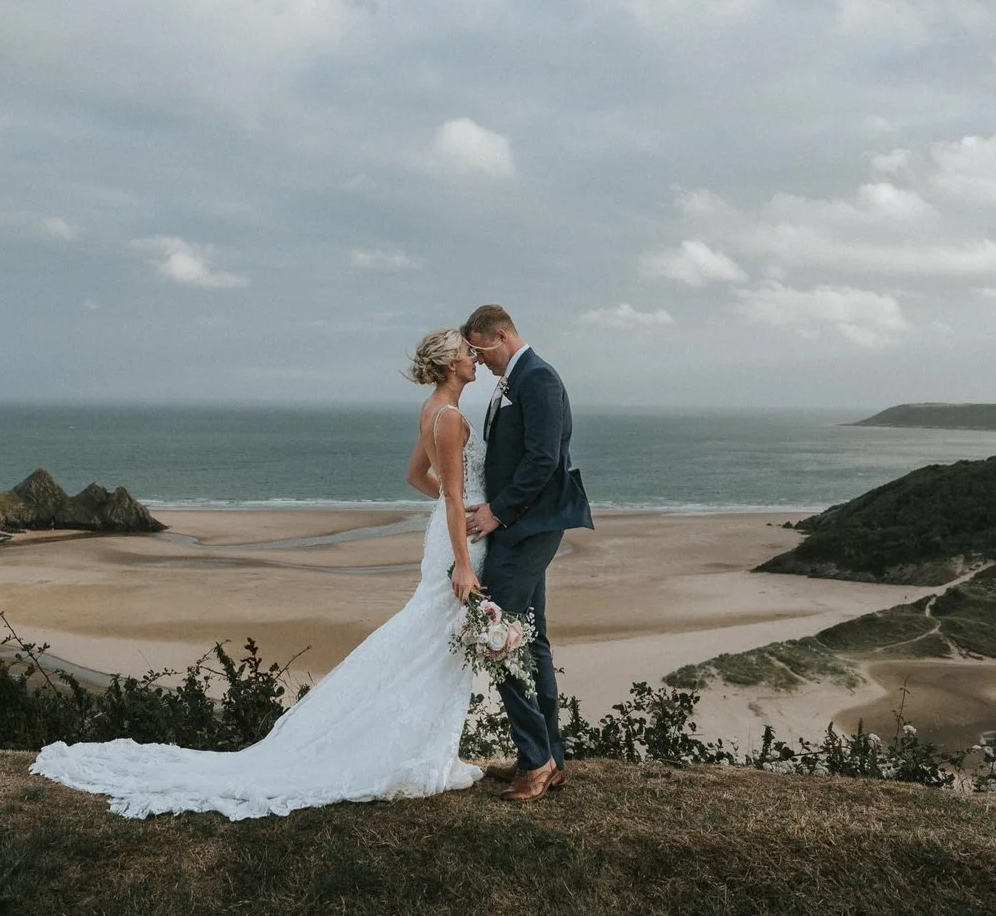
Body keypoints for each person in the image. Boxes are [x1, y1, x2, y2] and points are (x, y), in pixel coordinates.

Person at [30, 328, 488, 818]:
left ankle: (428, 746)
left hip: (451, 529)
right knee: (434, 636)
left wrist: (447, 509)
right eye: (466, 352)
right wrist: (460, 556)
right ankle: (417, 749)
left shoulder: (433, 411)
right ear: (447, 364)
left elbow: (418, 478)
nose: (474, 358)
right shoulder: (451, 417)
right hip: (459, 541)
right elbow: (452, 493)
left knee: (434, 637)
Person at [462, 303, 593, 802]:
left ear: (500, 336)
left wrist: (497, 513)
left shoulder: (537, 379)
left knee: (500, 636)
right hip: (522, 526)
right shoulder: (514, 381)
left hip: (530, 527)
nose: (479, 361)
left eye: (479, 349)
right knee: (530, 639)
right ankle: (548, 758)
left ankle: (535, 762)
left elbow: (543, 459)